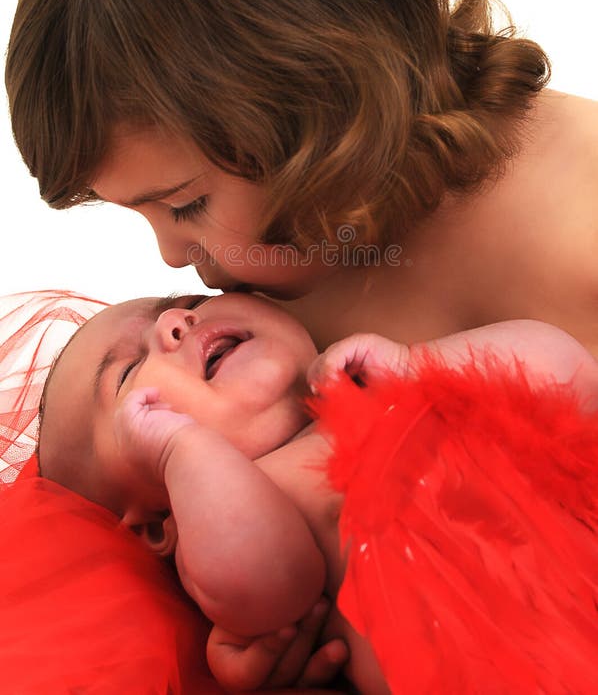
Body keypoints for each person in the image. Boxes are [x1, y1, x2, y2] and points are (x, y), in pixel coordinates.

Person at [7, 0, 598, 361]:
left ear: (329, 99)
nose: (170, 257)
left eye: (187, 204)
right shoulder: (275, 303)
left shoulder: (578, 235)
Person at [38, 290, 598, 693]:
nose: (176, 324)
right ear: (160, 522)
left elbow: (572, 375)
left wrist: (424, 365)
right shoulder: (235, 513)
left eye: (177, 305)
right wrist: (179, 451)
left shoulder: (395, 375)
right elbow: (272, 587)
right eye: (128, 370)